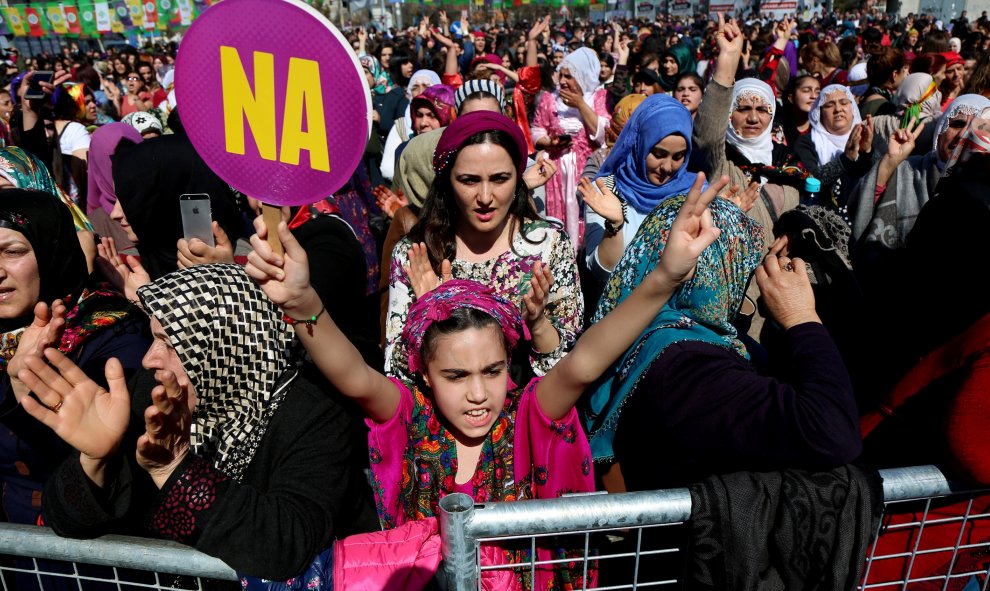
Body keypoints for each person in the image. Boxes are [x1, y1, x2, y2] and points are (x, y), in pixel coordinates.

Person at [245, 164, 730, 590]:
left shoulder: (525, 415)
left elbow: (584, 361)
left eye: (493, 371)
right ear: (425, 376)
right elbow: (352, 374)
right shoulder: (412, 415)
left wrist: (665, 276)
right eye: (456, 375)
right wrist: (304, 303)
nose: (479, 394)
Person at [19, 264, 375, 581]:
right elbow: (62, 520)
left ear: (227, 348)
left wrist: (175, 468)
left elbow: (287, 545)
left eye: (170, 343)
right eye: (153, 337)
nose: (148, 359)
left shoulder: (313, 416)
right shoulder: (150, 392)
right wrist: (95, 462)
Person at [581, 192, 861, 490]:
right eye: (741, 263)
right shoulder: (687, 367)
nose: (745, 279)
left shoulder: (643, 330)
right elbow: (831, 432)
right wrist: (800, 316)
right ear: (718, 269)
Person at [383, 112, 582, 384]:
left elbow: (567, 368)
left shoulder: (548, 246)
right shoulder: (418, 253)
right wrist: (427, 315)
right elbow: (396, 371)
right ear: (447, 182)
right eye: (469, 180)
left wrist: (538, 325)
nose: (486, 197)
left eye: (500, 179)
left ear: (518, 179)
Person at [0, 190, 148, 531]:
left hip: (83, 552)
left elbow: (102, 458)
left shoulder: (116, 336)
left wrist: (25, 389)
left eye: (13, 252)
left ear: (52, 249)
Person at [579, 94, 697, 282]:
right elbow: (600, 272)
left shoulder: (694, 194)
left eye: (678, 157)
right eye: (659, 154)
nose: (667, 167)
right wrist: (615, 227)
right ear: (638, 144)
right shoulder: (607, 189)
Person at [531, 47, 611, 250]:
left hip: (586, 170)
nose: (563, 81)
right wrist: (549, 143)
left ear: (584, 76)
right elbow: (537, 131)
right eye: (562, 75)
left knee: (584, 214)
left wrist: (581, 104)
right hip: (557, 171)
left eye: (569, 76)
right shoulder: (550, 100)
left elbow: (604, 134)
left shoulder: (599, 97)